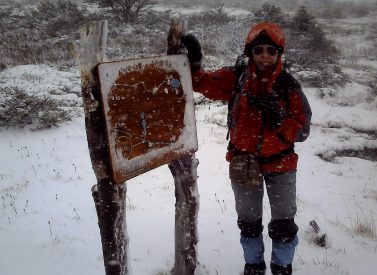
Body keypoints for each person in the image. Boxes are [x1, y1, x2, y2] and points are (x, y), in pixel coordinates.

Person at [181, 22, 312, 275]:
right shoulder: (236, 78)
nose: (265, 56)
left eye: (271, 51)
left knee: (284, 223)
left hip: (281, 163)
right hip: (244, 163)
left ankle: (282, 266)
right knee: (249, 223)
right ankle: (253, 265)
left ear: (279, 54)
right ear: (250, 52)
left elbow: (303, 130)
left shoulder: (288, 85)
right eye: (259, 50)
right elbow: (201, 83)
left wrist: (279, 119)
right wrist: (194, 62)